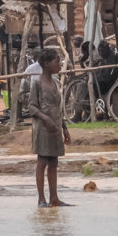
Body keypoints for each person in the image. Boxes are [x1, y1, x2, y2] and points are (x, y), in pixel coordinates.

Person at [27, 48, 71, 207]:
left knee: (54, 162)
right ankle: (41, 199)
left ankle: (54, 198)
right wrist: (45, 119)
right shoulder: (37, 83)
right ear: (46, 64)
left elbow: (59, 108)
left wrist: (64, 129)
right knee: (42, 161)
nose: (59, 64)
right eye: (56, 61)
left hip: (56, 127)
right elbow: (31, 107)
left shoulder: (57, 82)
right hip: (43, 128)